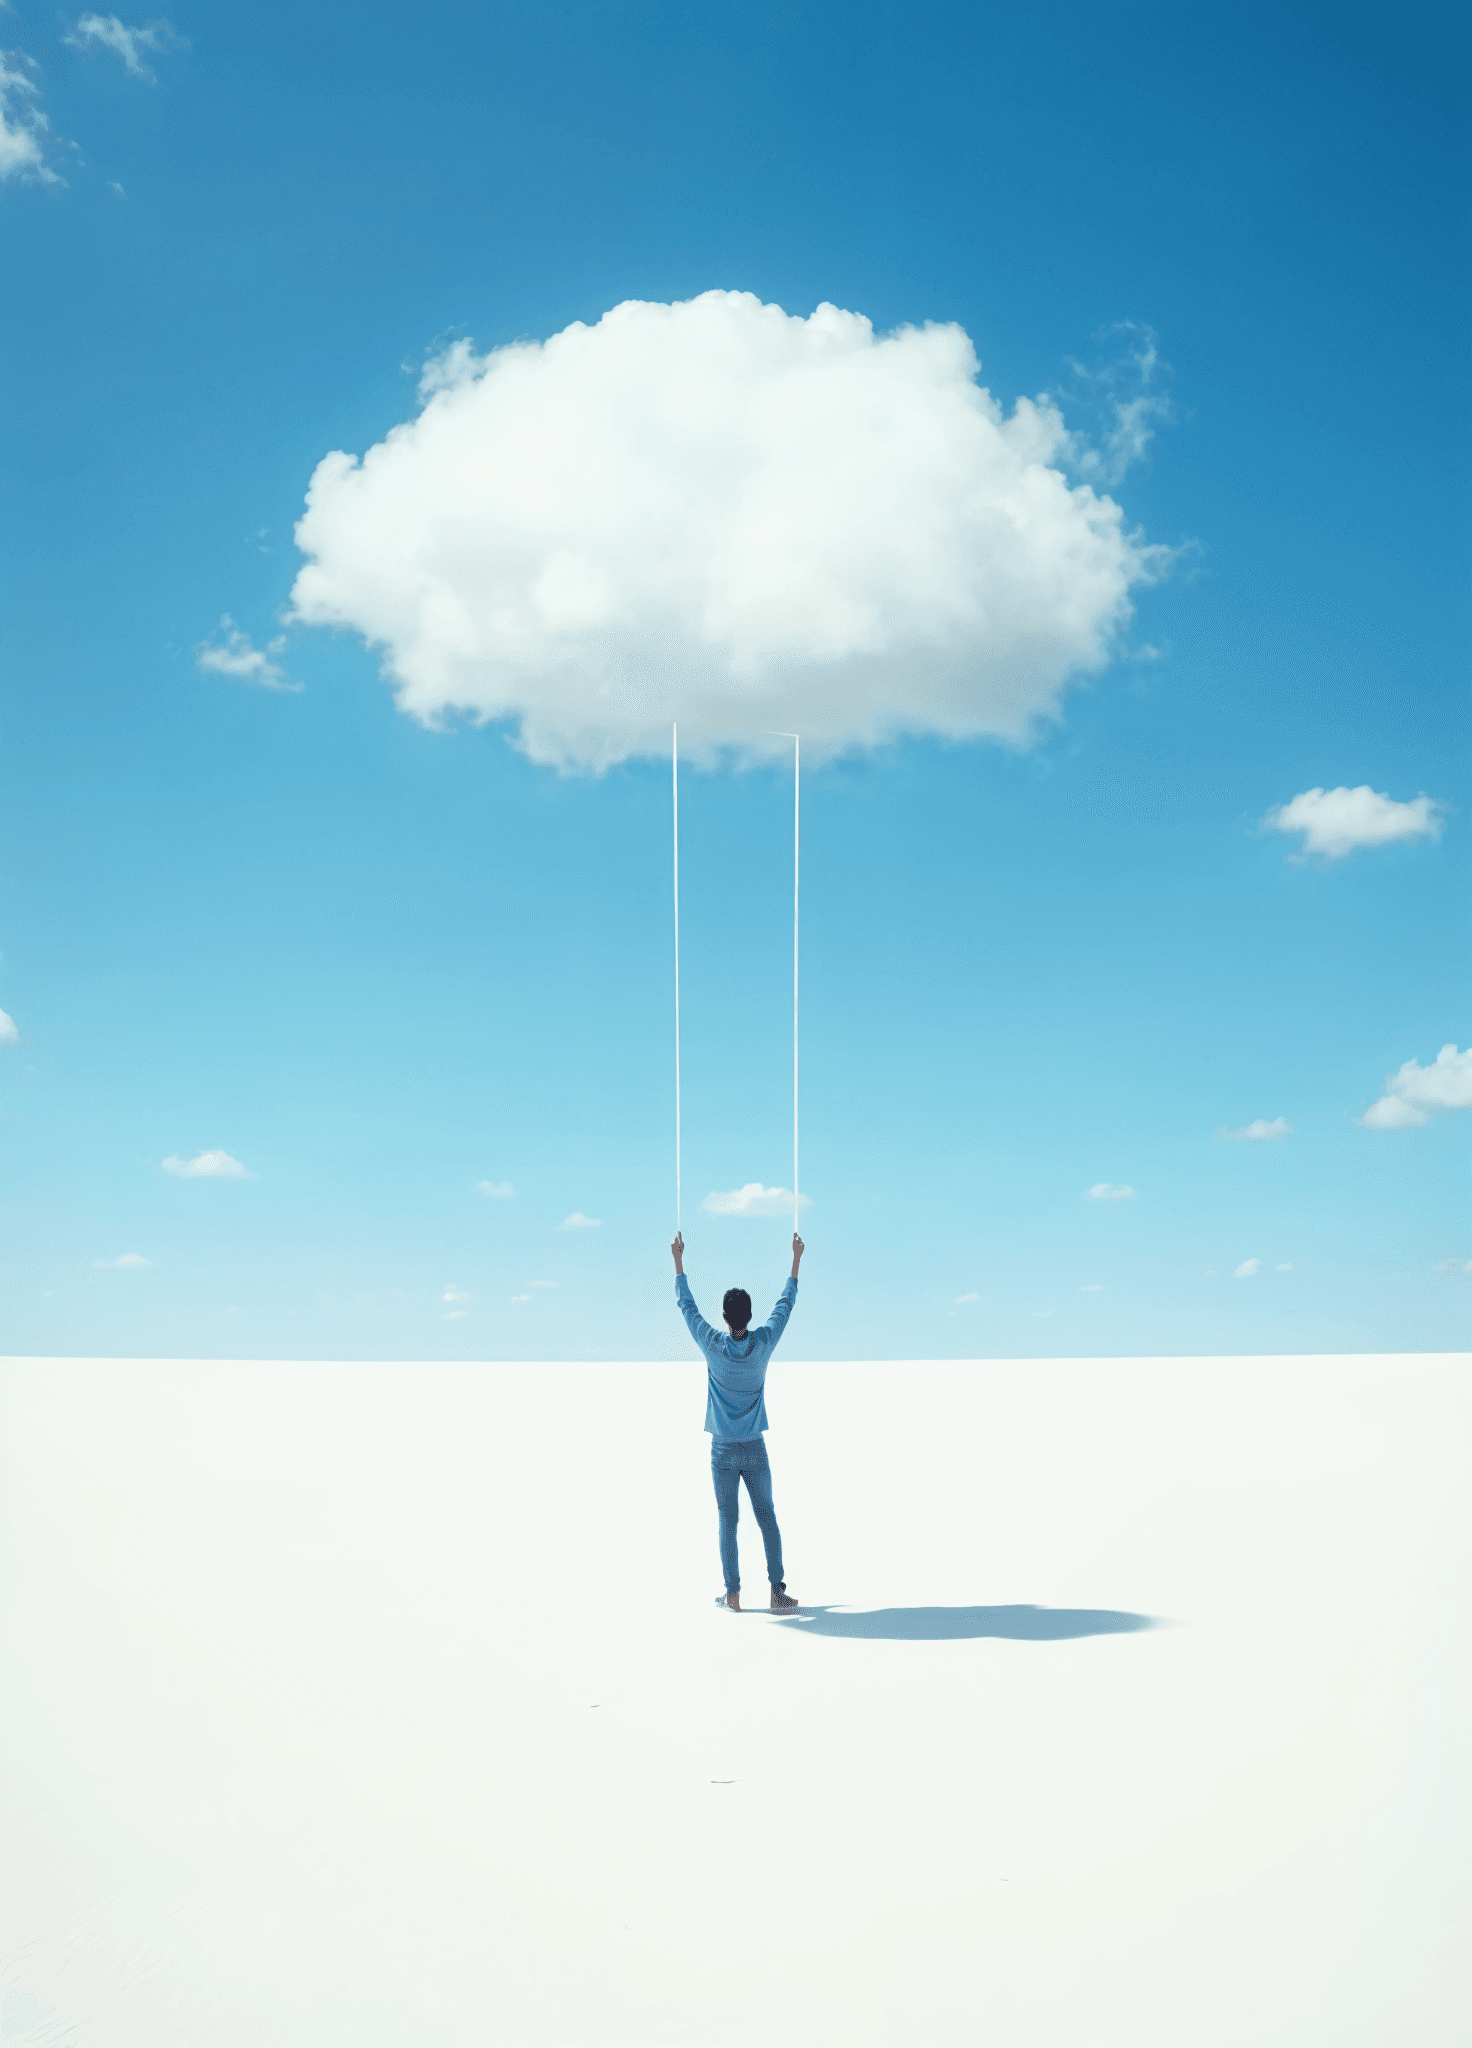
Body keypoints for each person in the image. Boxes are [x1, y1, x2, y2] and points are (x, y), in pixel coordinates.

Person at [671, 1228, 805, 1613]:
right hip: (753, 1450)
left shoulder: (713, 1346)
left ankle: (733, 1594)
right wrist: (796, 1259)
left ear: (726, 1318)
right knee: (766, 1516)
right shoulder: (763, 1343)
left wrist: (679, 1260)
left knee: (727, 1521)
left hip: (723, 1451)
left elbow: (687, 1307)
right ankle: (777, 1591)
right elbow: (785, 1305)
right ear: (748, 1316)